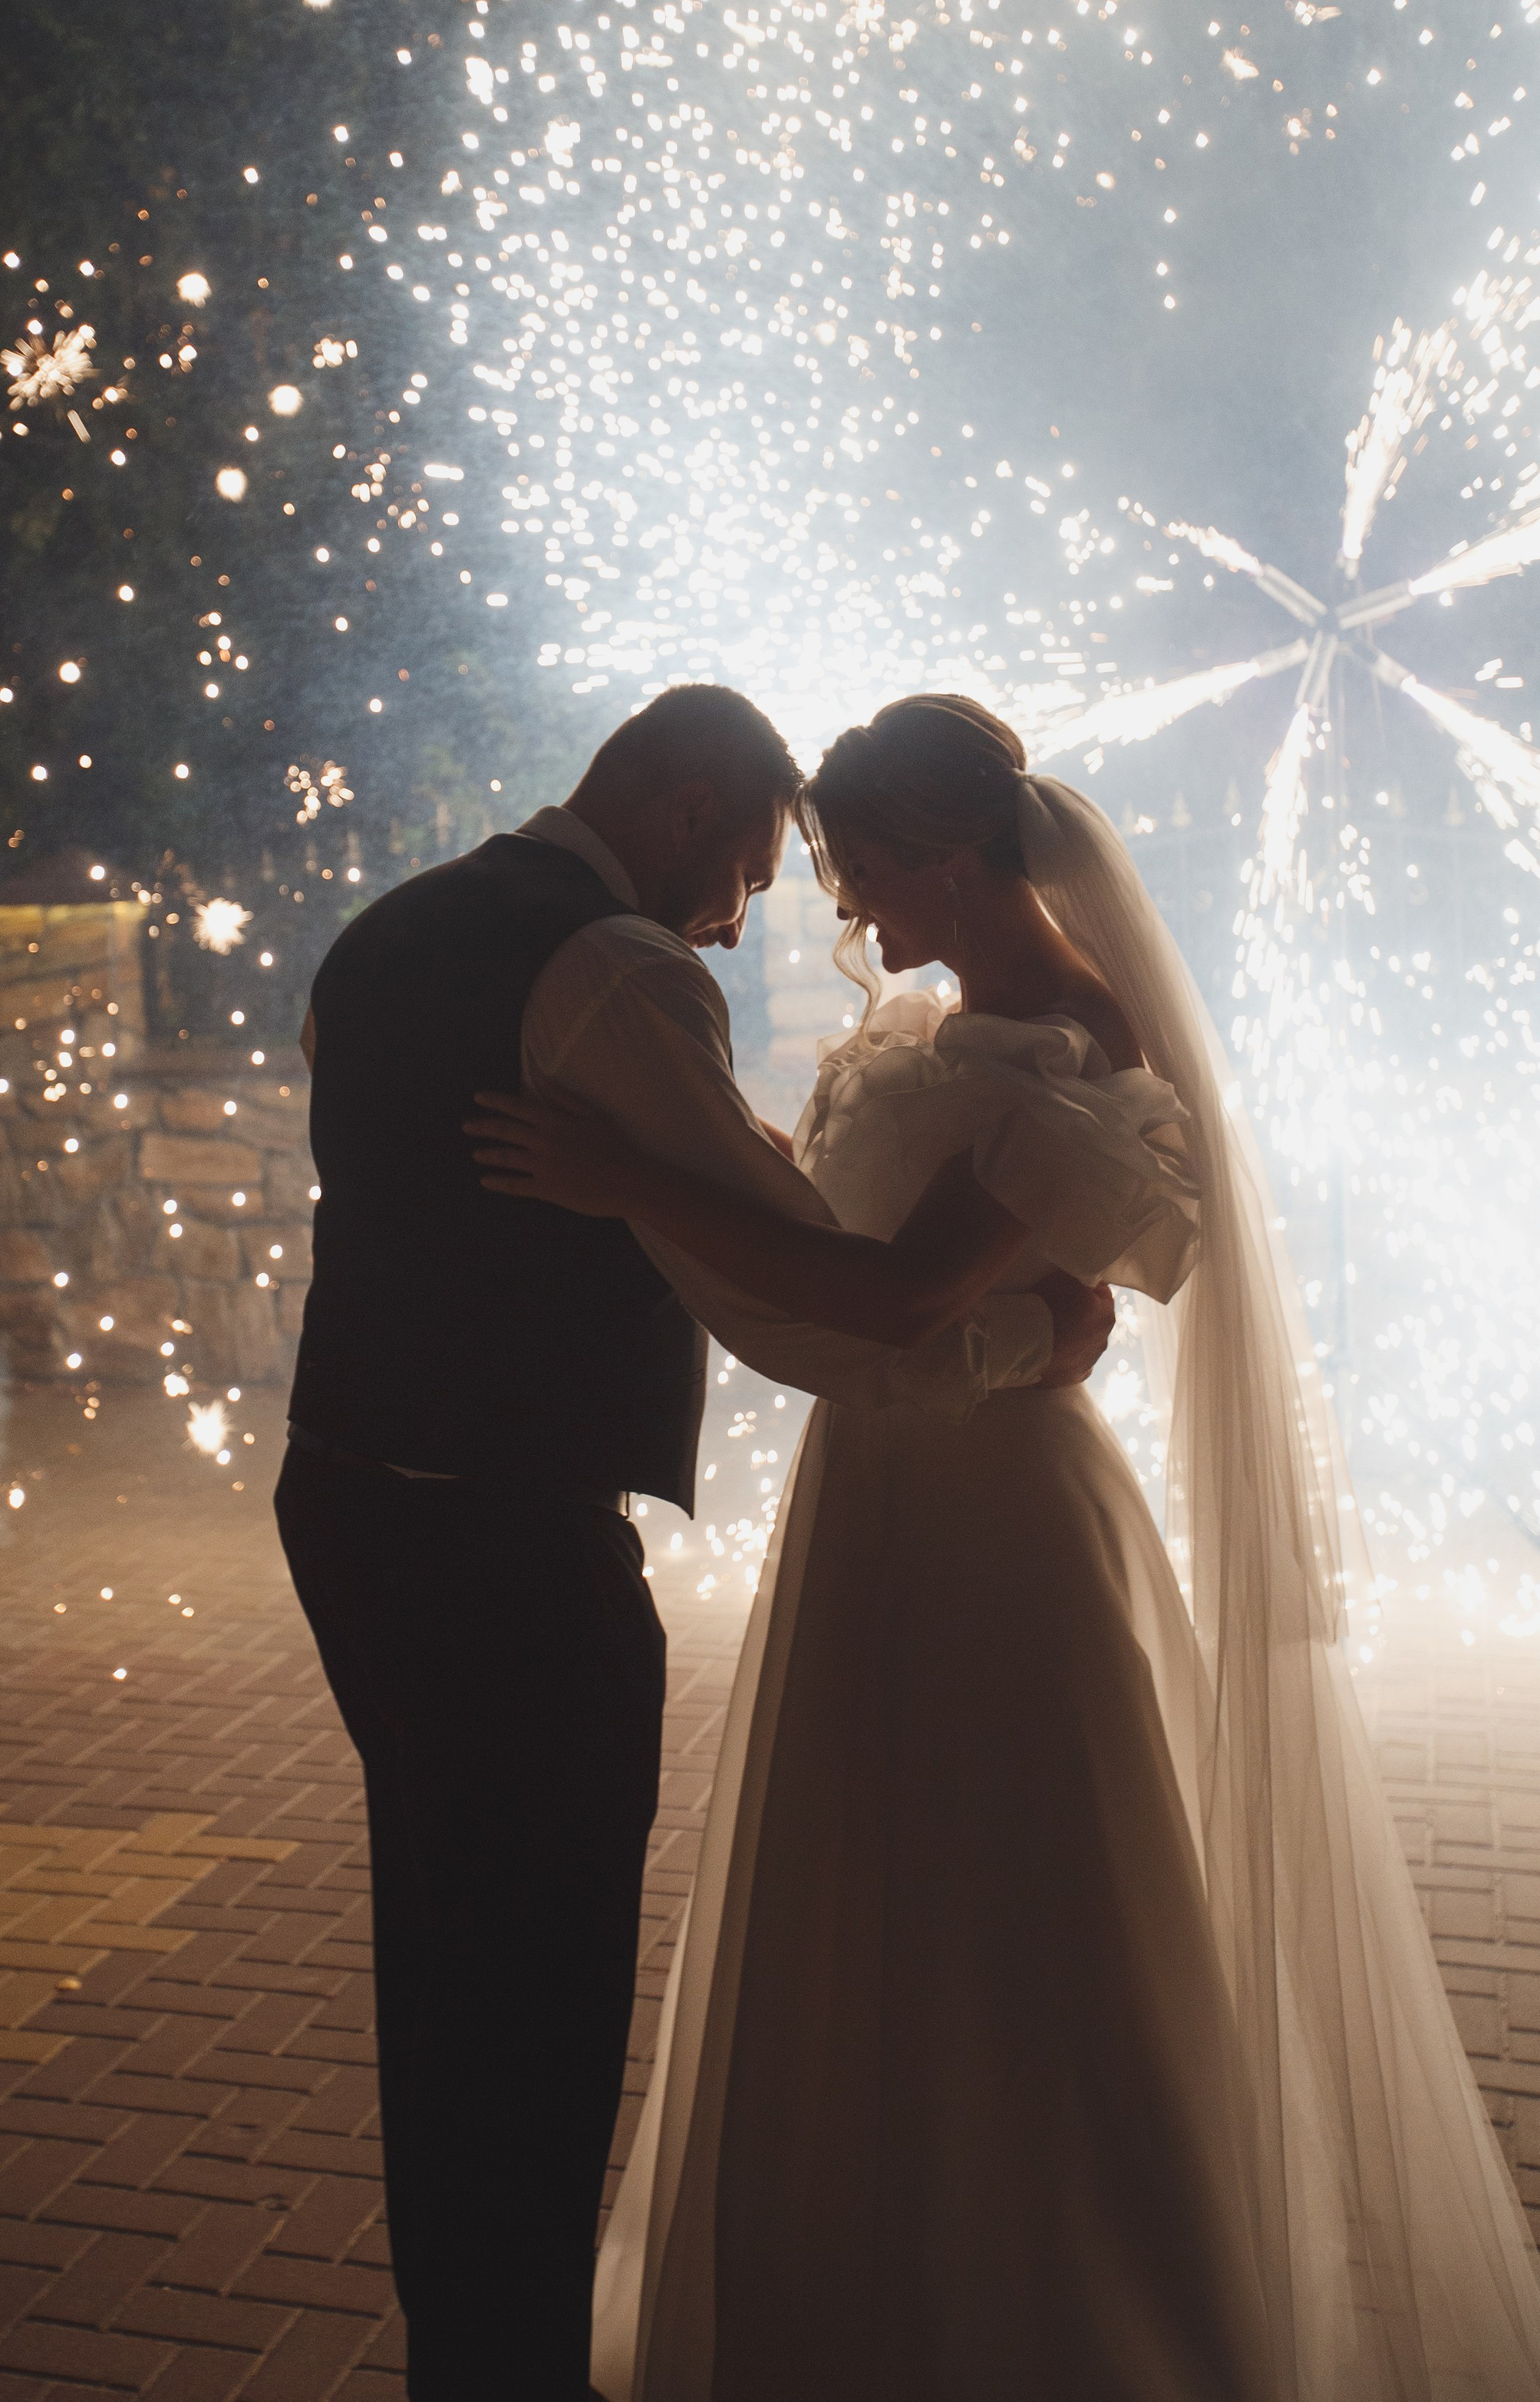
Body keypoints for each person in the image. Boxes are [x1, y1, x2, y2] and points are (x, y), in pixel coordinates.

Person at [471, 693, 1540, 2402]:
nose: (849, 920)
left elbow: (893, 1293)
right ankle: (857, 2303)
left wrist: (629, 1183)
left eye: (863, 876)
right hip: (881, 1489)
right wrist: (695, 1144)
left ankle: (1080, 2315)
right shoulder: (934, 1022)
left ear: (951, 857)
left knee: (1015, 1902)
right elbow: (835, 1230)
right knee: (868, 1882)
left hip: (995, 1522)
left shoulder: (1078, 1058)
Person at [275, 683, 1116, 2402]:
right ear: (672, 814)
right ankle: (505, 2367)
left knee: (436, 1958)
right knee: (539, 1980)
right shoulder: (618, 968)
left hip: (347, 1497)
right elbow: (780, 1287)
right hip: (509, 1546)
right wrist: (1020, 1341)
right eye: (745, 867)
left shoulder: (389, 928)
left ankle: (465, 2343)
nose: (751, 917)